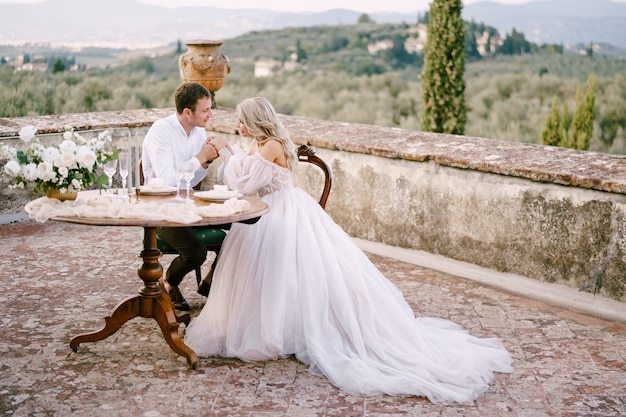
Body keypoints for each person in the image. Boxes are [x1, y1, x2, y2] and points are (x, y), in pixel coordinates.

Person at [184, 97, 513, 403]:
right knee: (268, 273)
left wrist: (226, 151)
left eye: (242, 121)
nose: (239, 126)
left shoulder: (270, 144)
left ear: (256, 121)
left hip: (283, 212)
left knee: (289, 269)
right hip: (265, 210)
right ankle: (274, 324)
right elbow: (245, 171)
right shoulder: (258, 143)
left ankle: (298, 328)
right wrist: (234, 153)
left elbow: (244, 182)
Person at [141, 82, 219, 311]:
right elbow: (166, 181)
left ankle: (211, 286)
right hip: (160, 208)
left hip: (188, 205)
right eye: (205, 110)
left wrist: (206, 160)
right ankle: (168, 283)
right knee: (196, 252)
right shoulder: (160, 131)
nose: (210, 114)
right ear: (187, 112)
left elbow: (193, 180)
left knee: (237, 236)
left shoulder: (199, 132)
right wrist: (199, 158)